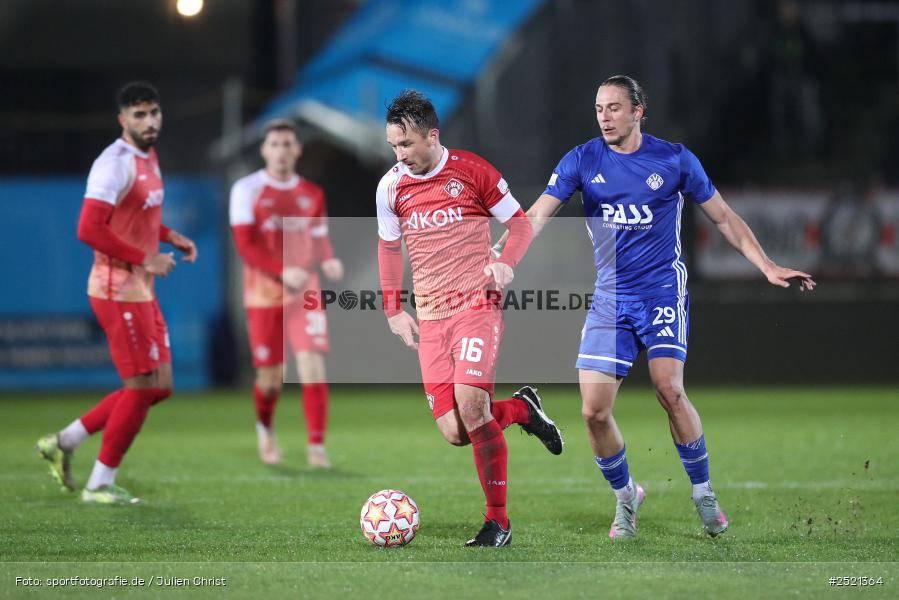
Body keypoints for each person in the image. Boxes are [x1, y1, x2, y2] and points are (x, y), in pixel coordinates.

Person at [505, 75, 815, 540]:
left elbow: (724, 218)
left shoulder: (674, 159)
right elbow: (537, 214)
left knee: (668, 388)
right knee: (592, 411)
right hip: (611, 298)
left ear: (638, 112)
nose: (605, 117)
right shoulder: (582, 159)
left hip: (662, 293)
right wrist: (502, 257)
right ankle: (626, 495)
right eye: (599, 108)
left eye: (614, 108)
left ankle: (703, 491)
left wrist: (766, 265)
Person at [376, 90, 563, 548]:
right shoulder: (390, 186)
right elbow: (388, 247)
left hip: (476, 306)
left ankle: (497, 522)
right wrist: (393, 310)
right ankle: (522, 409)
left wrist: (508, 264)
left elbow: (518, 224)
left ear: (432, 136)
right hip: (432, 317)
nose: (400, 156)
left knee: (473, 405)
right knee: (456, 431)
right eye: (393, 147)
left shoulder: (472, 172)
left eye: (406, 145)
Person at [36, 81, 198, 505]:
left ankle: (65, 441)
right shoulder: (113, 163)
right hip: (115, 289)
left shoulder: (149, 156)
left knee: (159, 386)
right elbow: (89, 227)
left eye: (153, 112)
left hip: (140, 289)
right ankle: (99, 485)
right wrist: (145, 258)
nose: (148, 121)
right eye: (139, 114)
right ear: (122, 119)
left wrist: (170, 236)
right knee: (141, 387)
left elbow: (137, 219)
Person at [229, 119, 343, 468]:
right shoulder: (246, 190)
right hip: (264, 293)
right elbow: (246, 246)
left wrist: (329, 259)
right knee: (270, 379)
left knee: (312, 365)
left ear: (298, 149)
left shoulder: (313, 193)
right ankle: (265, 431)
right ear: (265, 150)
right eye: (275, 144)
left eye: (287, 143)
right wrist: (281, 271)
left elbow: (319, 238)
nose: (281, 150)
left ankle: (317, 447)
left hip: (306, 288)